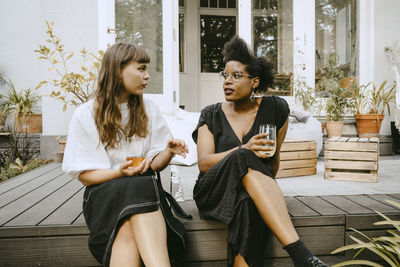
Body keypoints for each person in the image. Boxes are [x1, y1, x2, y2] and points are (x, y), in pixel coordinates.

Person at [192, 35, 328, 267]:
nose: (227, 81)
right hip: (213, 191)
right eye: (225, 76)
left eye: (236, 76)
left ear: (255, 82)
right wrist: (243, 149)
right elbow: (204, 163)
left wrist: (260, 160)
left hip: (250, 190)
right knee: (244, 156)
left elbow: (271, 168)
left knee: (248, 206)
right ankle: (300, 254)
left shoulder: (275, 109)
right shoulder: (210, 114)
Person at [62, 43, 188, 267]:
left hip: (143, 195)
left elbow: (155, 165)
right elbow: (85, 176)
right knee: (137, 186)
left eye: (147, 69)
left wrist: (168, 151)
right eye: (141, 69)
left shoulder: (149, 109)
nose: (147, 76)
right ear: (118, 71)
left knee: (129, 221)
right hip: (104, 196)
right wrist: (118, 172)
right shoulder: (86, 113)